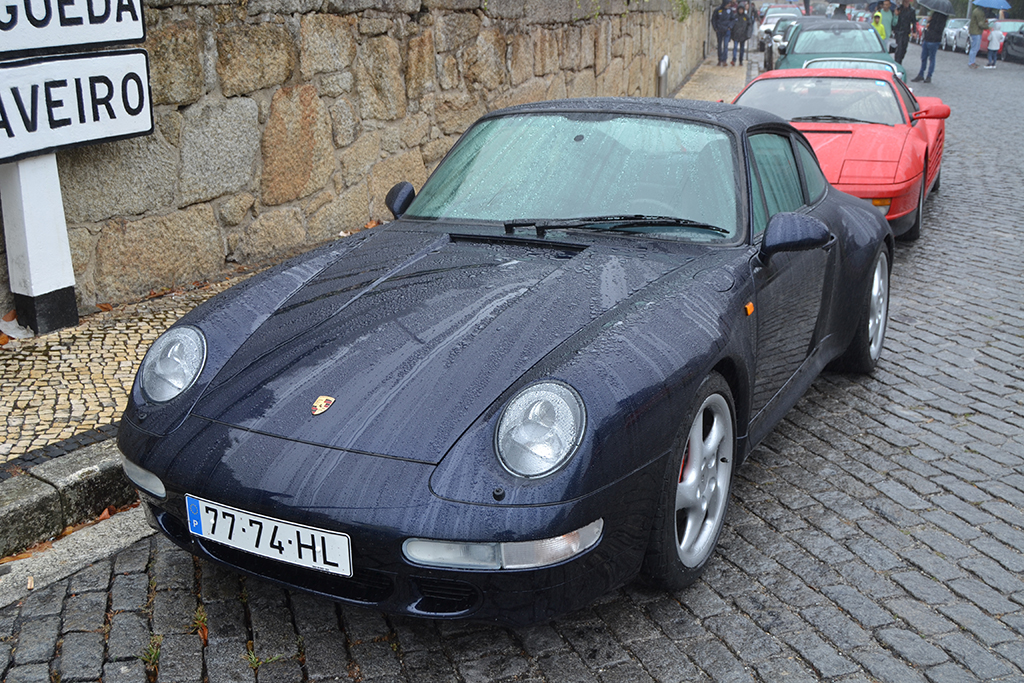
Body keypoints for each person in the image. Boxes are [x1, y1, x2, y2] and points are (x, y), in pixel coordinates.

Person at [911, 11, 947, 83]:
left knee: (930, 58)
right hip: (929, 39)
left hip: (933, 40)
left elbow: (936, 29)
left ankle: (927, 75)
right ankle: (923, 74)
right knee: (926, 58)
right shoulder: (938, 15)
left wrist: (930, 21)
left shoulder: (941, 18)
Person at [712, 0, 736, 67]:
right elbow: (714, 19)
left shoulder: (730, 11)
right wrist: (715, 28)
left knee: (725, 45)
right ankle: (720, 59)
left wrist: (730, 27)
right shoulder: (718, 10)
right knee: (719, 45)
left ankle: (724, 60)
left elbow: (733, 19)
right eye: (728, 3)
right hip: (719, 30)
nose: (729, 4)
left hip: (727, 30)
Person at [968, 3, 990, 68]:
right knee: (975, 48)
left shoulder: (977, 10)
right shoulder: (980, 12)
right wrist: (987, 27)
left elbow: (979, 21)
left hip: (974, 31)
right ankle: (971, 62)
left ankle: (972, 62)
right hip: (976, 32)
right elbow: (980, 24)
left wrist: (984, 21)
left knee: (974, 48)